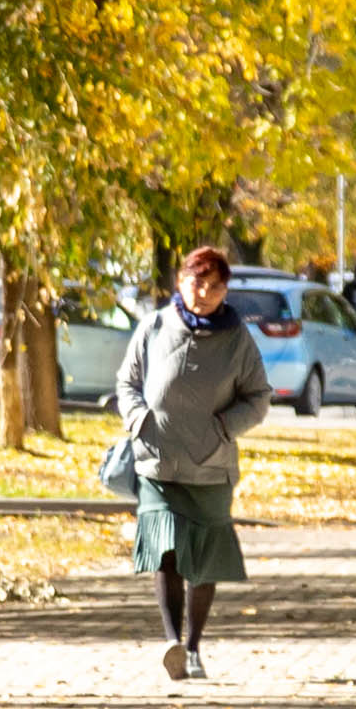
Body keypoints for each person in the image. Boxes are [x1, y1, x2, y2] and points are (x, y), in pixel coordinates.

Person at [114, 243, 275, 677]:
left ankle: (193, 647)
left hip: (210, 465)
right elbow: (127, 382)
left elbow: (259, 397)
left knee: (203, 559)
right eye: (195, 281)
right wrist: (140, 420)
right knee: (165, 551)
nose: (202, 292)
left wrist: (224, 427)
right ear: (179, 282)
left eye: (213, 286)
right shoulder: (153, 326)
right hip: (157, 462)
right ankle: (171, 641)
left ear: (225, 291)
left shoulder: (237, 339)